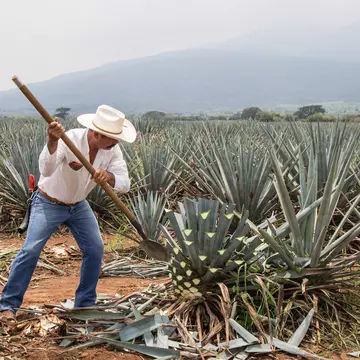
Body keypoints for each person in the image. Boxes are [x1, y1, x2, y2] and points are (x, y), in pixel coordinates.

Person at [0, 105, 136, 325]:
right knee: (31, 249)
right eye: (112, 138)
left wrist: (109, 176)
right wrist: (52, 142)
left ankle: (84, 304)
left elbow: (124, 183)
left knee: (95, 248)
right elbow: (46, 169)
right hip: (48, 202)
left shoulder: (112, 150)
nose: (117, 142)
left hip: (79, 205)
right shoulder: (68, 139)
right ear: (96, 133)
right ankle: (7, 306)